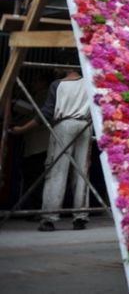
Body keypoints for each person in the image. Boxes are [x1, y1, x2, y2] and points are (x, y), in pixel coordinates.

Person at [10, 62, 92, 231]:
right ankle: (80, 217)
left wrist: (22, 129)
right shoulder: (89, 82)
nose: (55, 69)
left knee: (57, 171)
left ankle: (49, 217)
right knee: (82, 172)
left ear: (67, 66)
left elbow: (46, 112)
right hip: (84, 125)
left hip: (63, 125)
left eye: (59, 66)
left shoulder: (58, 84)